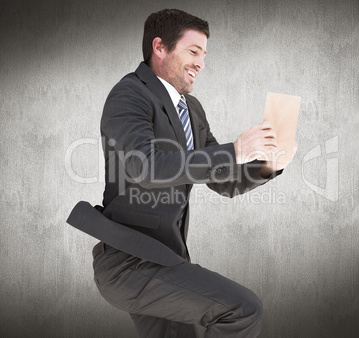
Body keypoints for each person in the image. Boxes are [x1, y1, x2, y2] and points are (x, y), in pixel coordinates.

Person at [83, 8, 292, 337]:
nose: (201, 63)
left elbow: (222, 180)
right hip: (128, 262)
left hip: (167, 261)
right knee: (242, 309)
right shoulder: (130, 95)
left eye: (204, 54)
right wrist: (235, 149)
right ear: (160, 48)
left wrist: (268, 163)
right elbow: (146, 168)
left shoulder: (191, 109)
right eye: (193, 51)